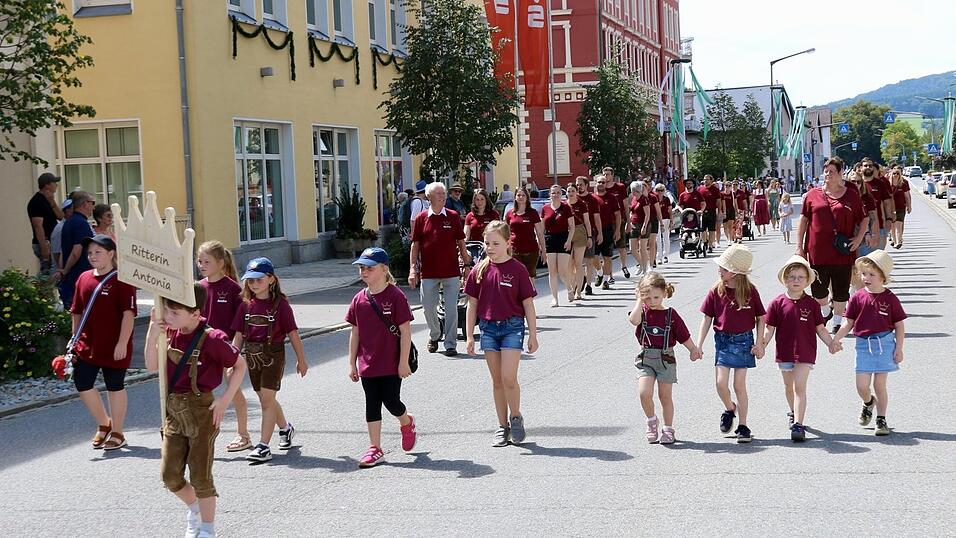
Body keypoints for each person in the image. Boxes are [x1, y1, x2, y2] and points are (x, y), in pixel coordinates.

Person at [145, 283, 245, 538]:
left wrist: (224, 399)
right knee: (170, 476)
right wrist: (151, 335)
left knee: (201, 477)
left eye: (174, 313)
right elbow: (152, 367)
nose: (168, 316)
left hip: (202, 411)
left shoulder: (213, 338)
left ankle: (208, 529)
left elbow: (239, 366)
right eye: (167, 310)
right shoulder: (169, 332)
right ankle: (194, 509)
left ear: (195, 313)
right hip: (174, 411)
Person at [464, 220, 538, 447]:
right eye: (487, 243)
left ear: (508, 242)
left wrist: (532, 334)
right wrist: (469, 336)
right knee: (497, 381)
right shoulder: (479, 270)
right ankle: (502, 426)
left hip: (512, 327)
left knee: (508, 377)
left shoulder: (518, 269)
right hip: (487, 329)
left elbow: (528, 304)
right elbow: (472, 305)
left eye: (496, 243)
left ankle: (515, 417)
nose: (490, 248)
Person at [231, 257, 309, 462]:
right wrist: (232, 359)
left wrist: (301, 359)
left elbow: (293, 333)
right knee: (265, 398)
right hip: (252, 356)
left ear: (271, 279)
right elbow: (238, 335)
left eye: (259, 280)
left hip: (273, 356)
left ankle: (263, 446)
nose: (254, 284)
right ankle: (285, 428)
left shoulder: (281, 305)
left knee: (266, 400)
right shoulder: (245, 306)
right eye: (251, 280)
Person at [346, 248, 417, 468]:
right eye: (361, 268)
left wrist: (403, 361)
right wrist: (351, 363)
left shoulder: (396, 296)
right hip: (367, 363)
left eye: (369, 268)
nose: (364, 272)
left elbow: (405, 331)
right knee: (372, 403)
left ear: (384, 269)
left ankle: (406, 421)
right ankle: (375, 448)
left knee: (392, 402)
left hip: (391, 362)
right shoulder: (359, 299)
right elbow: (355, 332)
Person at [69, 234, 136, 451]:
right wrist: (73, 340)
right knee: (82, 382)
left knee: (114, 386)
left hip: (115, 344)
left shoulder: (122, 280)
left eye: (98, 252)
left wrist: (122, 343)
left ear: (111, 254)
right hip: (88, 344)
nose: (92, 256)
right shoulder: (83, 278)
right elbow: (76, 312)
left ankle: (118, 431)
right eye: (90, 252)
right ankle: (103, 422)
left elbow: (128, 314)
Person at [762, 256, 839, 442]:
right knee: (789, 387)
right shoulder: (777, 303)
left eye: (800, 277)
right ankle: (792, 412)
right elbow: (769, 328)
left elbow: (820, 328)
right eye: (792, 277)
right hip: (785, 352)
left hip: (805, 352)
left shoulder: (812, 304)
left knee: (799, 387)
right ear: (785, 279)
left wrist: (831, 343)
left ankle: (798, 424)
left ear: (807, 281)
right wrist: (761, 345)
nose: (796, 281)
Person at [696, 244, 766, 443]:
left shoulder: (750, 291)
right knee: (720, 383)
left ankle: (743, 426)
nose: (719, 270)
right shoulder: (715, 291)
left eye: (724, 268)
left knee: (739, 385)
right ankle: (729, 408)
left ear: (735, 272)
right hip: (723, 341)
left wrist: (760, 343)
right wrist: (699, 344)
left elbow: (761, 317)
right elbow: (707, 318)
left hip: (744, 341)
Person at [833, 250, 906, 436]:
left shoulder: (890, 298)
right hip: (864, 345)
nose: (866, 277)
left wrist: (899, 348)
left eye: (872, 274)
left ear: (883, 277)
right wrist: (836, 338)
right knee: (862, 385)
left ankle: (881, 419)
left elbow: (899, 325)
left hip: (885, 343)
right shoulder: (858, 297)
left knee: (880, 385)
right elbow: (848, 322)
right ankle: (868, 402)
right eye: (864, 273)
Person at [796, 157, 867, 335]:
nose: (828, 174)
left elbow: (864, 218)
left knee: (841, 289)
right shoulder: (812, 194)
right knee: (818, 291)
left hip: (842, 251)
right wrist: (799, 246)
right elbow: (803, 220)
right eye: (826, 171)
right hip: (817, 252)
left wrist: (858, 239)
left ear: (841, 173)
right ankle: (826, 311)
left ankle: (837, 322)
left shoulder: (851, 195)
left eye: (832, 171)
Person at [629, 272, 702, 445]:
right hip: (646, 358)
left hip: (666, 358)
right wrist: (639, 301)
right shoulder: (642, 312)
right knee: (644, 393)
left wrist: (693, 349)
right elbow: (633, 320)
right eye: (648, 298)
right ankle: (651, 421)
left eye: (656, 297)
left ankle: (668, 429)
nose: (652, 302)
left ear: (664, 293)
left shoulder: (671, 314)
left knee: (665, 396)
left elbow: (683, 335)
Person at [196, 240, 249, 453]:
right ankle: (198, 434)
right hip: (203, 348)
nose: (201, 264)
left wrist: (233, 353)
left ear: (220, 263)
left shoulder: (233, 289)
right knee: (199, 390)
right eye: (199, 261)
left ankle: (243, 434)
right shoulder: (198, 287)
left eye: (206, 261)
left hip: (226, 348)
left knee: (233, 391)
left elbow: (240, 327)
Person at [409, 182, 471, 356]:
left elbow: (461, 242)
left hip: (451, 271)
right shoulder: (422, 218)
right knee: (428, 307)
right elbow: (415, 245)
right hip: (428, 271)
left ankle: (450, 344)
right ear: (429, 197)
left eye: (444, 194)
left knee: (451, 309)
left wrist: (466, 264)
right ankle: (435, 334)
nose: (443, 197)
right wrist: (413, 269)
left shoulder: (452, 216)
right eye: (439, 194)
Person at [56, 191, 96, 307]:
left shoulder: (69, 222)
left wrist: (62, 269)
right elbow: (76, 250)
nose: (93, 207)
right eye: (92, 203)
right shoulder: (80, 223)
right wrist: (65, 270)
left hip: (72, 277)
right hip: (79, 275)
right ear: (85, 204)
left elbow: (64, 251)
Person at [540, 184, 575, 307]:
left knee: (562, 270)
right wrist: (541, 243)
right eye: (553, 193)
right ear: (550, 194)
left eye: (558, 193)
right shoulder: (545, 208)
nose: (555, 195)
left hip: (563, 238)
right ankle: (555, 298)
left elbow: (572, 227)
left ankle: (569, 287)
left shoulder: (566, 207)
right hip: (549, 239)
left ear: (562, 194)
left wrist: (569, 240)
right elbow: (541, 228)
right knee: (552, 271)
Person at [27, 172, 64, 276]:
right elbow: (38, 226)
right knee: (48, 273)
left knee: (52, 272)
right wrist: (44, 248)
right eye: (54, 183)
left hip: (51, 241)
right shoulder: (37, 202)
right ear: (47, 185)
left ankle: (45, 291)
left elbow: (61, 217)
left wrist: (52, 202)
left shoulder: (48, 200)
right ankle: (42, 292)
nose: (56, 185)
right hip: (44, 242)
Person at [504, 185, 545, 280]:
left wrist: (543, 251)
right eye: (519, 195)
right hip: (514, 250)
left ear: (527, 197)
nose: (521, 197)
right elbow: (506, 233)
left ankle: (531, 295)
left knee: (530, 277)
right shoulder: (510, 214)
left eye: (523, 195)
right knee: (516, 277)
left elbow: (539, 233)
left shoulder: (532, 213)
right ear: (515, 197)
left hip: (531, 251)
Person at [574, 176, 603, 296]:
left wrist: (600, 233)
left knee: (590, 260)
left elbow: (596, 217)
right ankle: (579, 282)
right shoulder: (572, 198)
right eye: (577, 184)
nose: (578, 186)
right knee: (577, 262)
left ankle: (589, 286)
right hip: (576, 234)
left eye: (581, 184)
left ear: (586, 185)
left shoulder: (592, 199)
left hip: (590, 232)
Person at [566, 183, 593, 300]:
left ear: (576, 192)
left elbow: (587, 222)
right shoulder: (564, 205)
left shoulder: (581, 204)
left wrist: (590, 236)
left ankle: (579, 292)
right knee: (569, 264)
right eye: (568, 191)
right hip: (567, 233)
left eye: (572, 191)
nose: (570, 193)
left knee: (578, 263)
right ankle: (573, 286)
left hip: (580, 232)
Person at [594, 175, 621, 289]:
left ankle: (605, 280)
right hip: (594, 231)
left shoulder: (611, 198)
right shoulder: (592, 198)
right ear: (596, 183)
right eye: (599, 182)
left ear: (606, 184)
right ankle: (599, 273)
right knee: (594, 257)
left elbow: (618, 215)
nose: (601, 184)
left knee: (607, 257)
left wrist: (618, 230)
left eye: (603, 182)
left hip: (608, 230)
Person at [859, 158, 893, 249]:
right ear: (860, 168)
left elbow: (887, 202)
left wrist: (889, 218)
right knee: (862, 260)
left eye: (870, 166)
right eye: (865, 165)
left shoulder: (880, 184)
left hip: (879, 226)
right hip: (860, 227)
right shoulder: (856, 183)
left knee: (878, 257)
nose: (868, 167)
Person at [603, 166, 630, 279]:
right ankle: (610, 274)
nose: (606, 176)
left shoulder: (620, 187)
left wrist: (629, 221)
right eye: (604, 174)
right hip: (607, 222)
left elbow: (626, 205)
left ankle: (624, 266)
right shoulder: (601, 188)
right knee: (608, 249)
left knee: (621, 246)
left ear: (612, 175)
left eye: (608, 174)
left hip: (620, 220)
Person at [625, 181, 649, 277]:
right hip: (634, 224)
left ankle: (645, 268)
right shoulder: (633, 199)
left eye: (634, 190)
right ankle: (642, 264)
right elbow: (631, 212)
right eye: (632, 190)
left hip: (642, 224)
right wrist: (628, 223)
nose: (633, 192)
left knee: (642, 247)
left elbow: (647, 214)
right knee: (632, 249)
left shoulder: (644, 199)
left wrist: (644, 226)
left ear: (638, 190)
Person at [697, 175, 721, 252]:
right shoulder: (700, 189)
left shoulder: (715, 189)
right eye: (704, 179)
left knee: (711, 230)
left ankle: (710, 246)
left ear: (711, 180)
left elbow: (718, 201)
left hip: (712, 211)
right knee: (702, 230)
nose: (705, 181)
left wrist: (719, 211)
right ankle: (704, 243)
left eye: (707, 179)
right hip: (702, 212)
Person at [888, 168, 911, 249]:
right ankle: (894, 241)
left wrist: (909, 206)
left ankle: (899, 241)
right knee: (893, 226)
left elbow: (907, 196)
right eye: (894, 173)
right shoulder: (888, 184)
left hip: (901, 207)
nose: (896, 175)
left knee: (899, 224)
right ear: (891, 174)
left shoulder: (903, 183)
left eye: (897, 173)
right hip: (891, 208)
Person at [50, 198, 74, 270]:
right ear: (68, 211)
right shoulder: (60, 228)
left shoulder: (71, 225)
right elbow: (56, 253)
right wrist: (61, 270)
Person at [655, 185, 672, 265]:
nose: (660, 192)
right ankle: (659, 257)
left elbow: (670, 210)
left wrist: (671, 220)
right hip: (657, 219)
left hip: (666, 219)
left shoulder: (666, 199)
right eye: (658, 190)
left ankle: (666, 255)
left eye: (661, 190)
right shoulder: (655, 199)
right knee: (657, 238)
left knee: (666, 237)